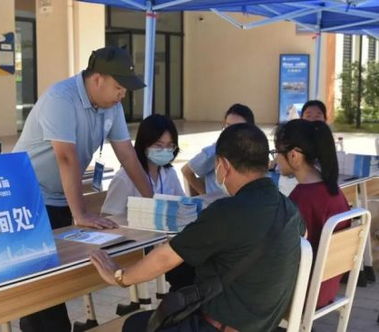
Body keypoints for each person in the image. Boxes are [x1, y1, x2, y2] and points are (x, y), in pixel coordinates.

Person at [91, 124, 305, 332]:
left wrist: (119, 276)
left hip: (221, 324)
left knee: (134, 324)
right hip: (264, 322)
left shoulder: (227, 211)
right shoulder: (290, 208)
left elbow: (165, 258)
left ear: (224, 165)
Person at [13, 46, 153, 332]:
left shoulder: (111, 106)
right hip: (29, 196)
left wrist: (154, 201)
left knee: (50, 282)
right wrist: (81, 214)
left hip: (61, 196)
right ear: (97, 79)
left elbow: (127, 154)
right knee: (47, 282)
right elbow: (66, 157)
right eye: (118, 87)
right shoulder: (60, 98)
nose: (123, 94)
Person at [274, 119, 350, 309]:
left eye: (276, 153)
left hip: (301, 295)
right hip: (326, 289)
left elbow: (282, 254)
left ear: (293, 156)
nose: (275, 159)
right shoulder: (334, 191)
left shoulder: (302, 198)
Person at [101, 114, 185, 216]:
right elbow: (108, 216)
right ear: (144, 144)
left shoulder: (170, 173)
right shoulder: (124, 177)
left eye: (170, 145)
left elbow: (183, 205)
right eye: (158, 145)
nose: (165, 150)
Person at [181, 104, 255, 195]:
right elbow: (187, 171)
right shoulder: (215, 151)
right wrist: (205, 196)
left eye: (238, 128)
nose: (231, 132)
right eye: (228, 127)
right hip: (219, 206)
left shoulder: (254, 151)